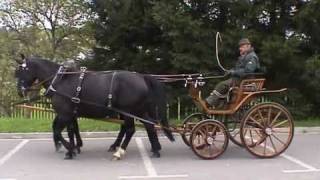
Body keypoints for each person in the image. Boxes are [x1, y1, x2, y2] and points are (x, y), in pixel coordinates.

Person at [206, 38, 261, 108]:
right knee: (223, 85)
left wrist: (234, 72)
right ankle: (219, 105)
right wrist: (230, 71)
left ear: (248, 46)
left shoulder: (252, 57)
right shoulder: (244, 56)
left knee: (222, 85)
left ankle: (209, 102)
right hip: (240, 80)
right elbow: (238, 69)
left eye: (242, 47)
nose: (240, 49)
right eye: (240, 47)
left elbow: (248, 71)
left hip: (246, 81)